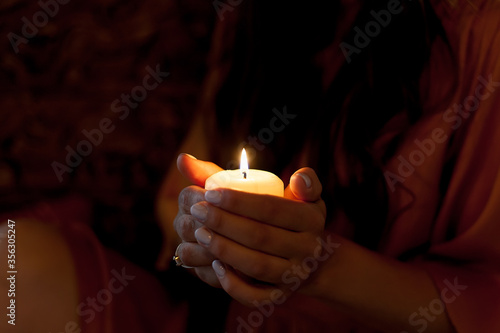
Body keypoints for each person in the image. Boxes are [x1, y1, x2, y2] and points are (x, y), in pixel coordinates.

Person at [1, 0, 499, 332]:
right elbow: (179, 210)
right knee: (11, 258)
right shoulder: (255, 17)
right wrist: (199, 234)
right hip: (211, 316)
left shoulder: (479, 36)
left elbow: (481, 301)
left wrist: (315, 265)